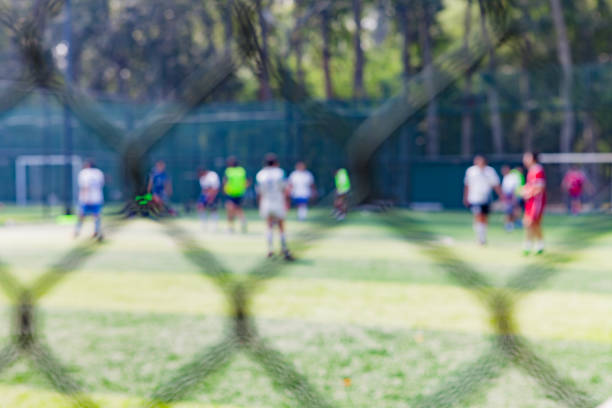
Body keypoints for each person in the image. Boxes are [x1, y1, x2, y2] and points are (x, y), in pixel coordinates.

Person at [256, 153, 294, 260]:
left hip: (266, 202)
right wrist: (288, 202)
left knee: (268, 225)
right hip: (278, 201)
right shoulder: (280, 172)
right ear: (276, 163)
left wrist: (260, 204)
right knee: (281, 226)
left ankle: (270, 249)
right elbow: (286, 189)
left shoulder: (260, 174)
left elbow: (259, 192)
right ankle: (284, 248)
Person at [463, 155, 502, 245]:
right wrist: (465, 197)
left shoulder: (490, 171)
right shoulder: (471, 171)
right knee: (478, 216)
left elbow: (495, 185)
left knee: (484, 218)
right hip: (475, 198)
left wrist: (501, 195)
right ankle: (479, 238)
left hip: (486, 198)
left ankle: (483, 237)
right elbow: (467, 185)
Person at [522, 152, 547, 255]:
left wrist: (528, 193)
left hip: (536, 201)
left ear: (533, 158)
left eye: (527, 157)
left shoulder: (538, 170)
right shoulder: (531, 170)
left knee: (530, 222)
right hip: (531, 201)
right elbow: (531, 186)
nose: (524, 159)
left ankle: (528, 246)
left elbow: (540, 187)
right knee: (534, 223)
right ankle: (539, 245)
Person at [75, 160, 105, 240]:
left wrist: (85, 198)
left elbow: (84, 186)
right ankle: (97, 231)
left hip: (86, 198)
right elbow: (101, 184)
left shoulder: (84, 173)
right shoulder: (99, 172)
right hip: (97, 198)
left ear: (87, 165)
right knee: (96, 215)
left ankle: (77, 231)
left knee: (81, 215)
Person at [223, 156, 249, 233]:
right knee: (232, 209)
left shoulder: (229, 171)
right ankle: (233, 226)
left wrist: (225, 189)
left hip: (235, 193)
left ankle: (235, 226)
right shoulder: (241, 170)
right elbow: (246, 182)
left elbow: (225, 181)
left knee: (233, 210)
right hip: (233, 193)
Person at [501, 165, 525, 231]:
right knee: (508, 211)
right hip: (508, 196)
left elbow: (514, 188)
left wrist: (514, 198)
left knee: (515, 210)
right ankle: (510, 225)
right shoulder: (506, 177)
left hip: (513, 196)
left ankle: (516, 222)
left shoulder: (512, 176)